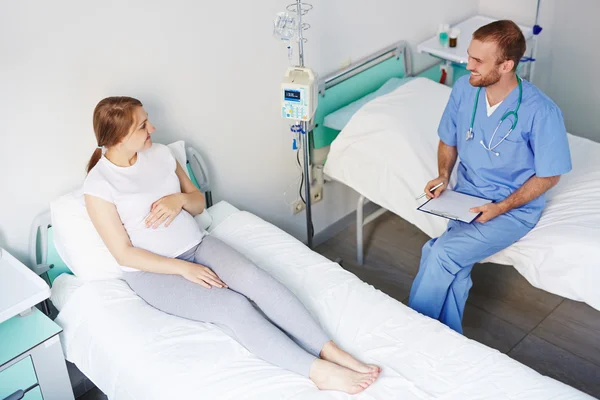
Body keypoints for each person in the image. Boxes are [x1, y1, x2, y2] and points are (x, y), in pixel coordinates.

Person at [83, 96, 380, 394]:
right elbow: (124, 253)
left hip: (198, 244)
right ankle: (318, 372)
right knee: (234, 306)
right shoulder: (99, 184)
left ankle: (329, 350)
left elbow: (199, 204)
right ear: (119, 138)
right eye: (143, 125)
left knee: (255, 278)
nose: (153, 127)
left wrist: (180, 200)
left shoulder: (161, 155)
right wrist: (184, 269)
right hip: (153, 273)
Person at [408, 20, 572, 334]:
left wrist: (501, 207)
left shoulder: (542, 112)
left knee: (440, 254)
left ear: (507, 65)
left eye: (477, 61)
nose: (467, 65)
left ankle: (414, 335)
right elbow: (448, 138)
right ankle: (447, 338)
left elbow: (550, 176)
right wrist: (443, 175)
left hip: (512, 210)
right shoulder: (464, 89)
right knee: (450, 266)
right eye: (469, 56)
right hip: (464, 197)